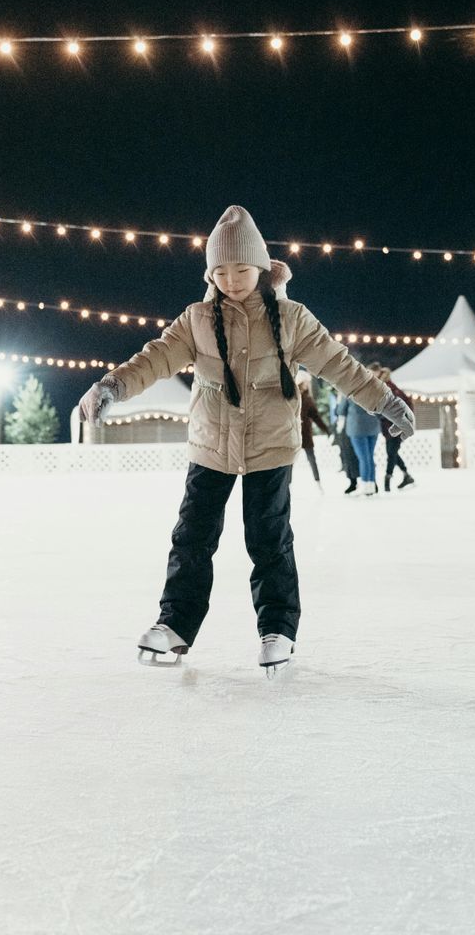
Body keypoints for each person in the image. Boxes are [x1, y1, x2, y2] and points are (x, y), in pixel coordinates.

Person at [79, 205, 414, 675]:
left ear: (260, 267)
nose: (231, 280)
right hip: (210, 446)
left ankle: (277, 630)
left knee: (269, 538)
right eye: (220, 271)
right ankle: (174, 625)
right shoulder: (196, 319)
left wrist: (386, 402)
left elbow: (341, 365)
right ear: (210, 273)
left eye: (240, 269)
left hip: (270, 446)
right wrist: (111, 385)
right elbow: (153, 358)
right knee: (192, 537)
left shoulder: (292, 318)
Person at [336, 363, 384, 496]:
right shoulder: (376, 389)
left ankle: (365, 485)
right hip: (373, 427)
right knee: (369, 457)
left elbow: (341, 410)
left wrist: (338, 404)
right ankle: (371, 485)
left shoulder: (350, 390)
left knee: (363, 458)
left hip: (357, 428)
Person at [377, 366, 415, 491]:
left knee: (391, 453)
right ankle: (406, 475)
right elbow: (408, 404)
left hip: (393, 427)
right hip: (397, 426)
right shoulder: (395, 389)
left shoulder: (387, 390)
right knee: (392, 453)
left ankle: (388, 478)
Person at [296, 374, 329, 491]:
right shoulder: (293, 397)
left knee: (311, 459)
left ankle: (318, 482)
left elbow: (315, 417)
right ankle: (286, 485)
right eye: (305, 383)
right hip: (293, 434)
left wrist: (326, 429)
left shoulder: (307, 399)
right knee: (288, 462)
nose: (306, 385)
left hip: (304, 433)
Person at [331, 389, 360, 493]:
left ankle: (354, 482)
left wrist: (339, 403)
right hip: (351, 427)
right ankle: (364, 481)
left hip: (348, 429)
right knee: (358, 456)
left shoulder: (345, 394)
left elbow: (339, 411)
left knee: (350, 455)